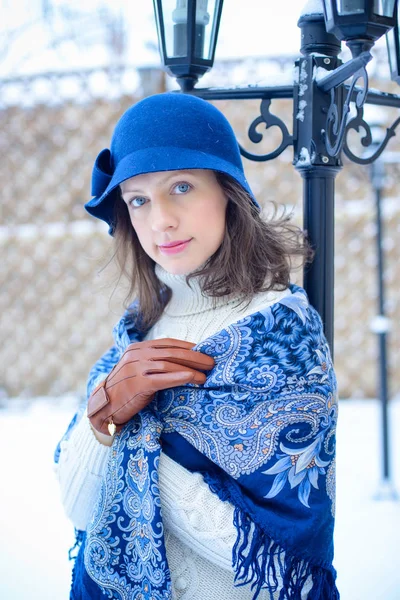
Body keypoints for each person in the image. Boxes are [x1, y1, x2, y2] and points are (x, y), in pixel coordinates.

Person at [55, 92, 339, 600]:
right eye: (138, 199)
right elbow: (78, 507)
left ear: (228, 192)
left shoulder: (279, 333)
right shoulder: (140, 328)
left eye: (180, 187)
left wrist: (130, 438)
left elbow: (279, 561)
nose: (159, 219)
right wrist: (102, 419)